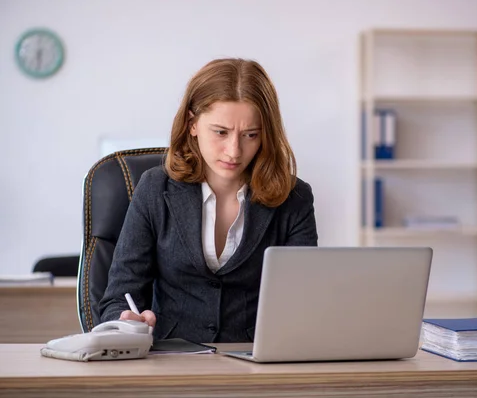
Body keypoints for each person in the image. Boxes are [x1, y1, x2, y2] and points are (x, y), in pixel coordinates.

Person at [98, 58, 318, 344]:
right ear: (192, 124)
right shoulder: (155, 188)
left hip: (258, 362)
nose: (234, 151)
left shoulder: (294, 198)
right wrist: (124, 320)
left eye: (251, 135)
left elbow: (303, 302)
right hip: (170, 360)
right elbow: (118, 298)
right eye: (221, 132)